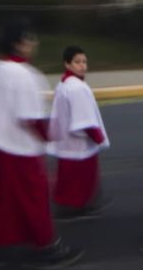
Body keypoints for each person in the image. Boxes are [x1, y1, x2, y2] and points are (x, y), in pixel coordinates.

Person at [0, 19, 83, 269]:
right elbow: (32, 118)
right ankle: (46, 246)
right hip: (19, 148)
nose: (33, 44)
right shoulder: (26, 75)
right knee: (34, 198)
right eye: (29, 39)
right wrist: (52, 136)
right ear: (18, 44)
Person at [47, 45, 111, 220]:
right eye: (77, 62)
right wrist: (97, 137)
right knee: (80, 178)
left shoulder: (65, 84)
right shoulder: (76, 88)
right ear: (67, 64)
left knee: (69, 177)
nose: (82, 65)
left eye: (84, 62)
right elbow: (84, 118)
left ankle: (72, 204)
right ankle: (76, 207)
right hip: (78, 144)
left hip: (67, 142)